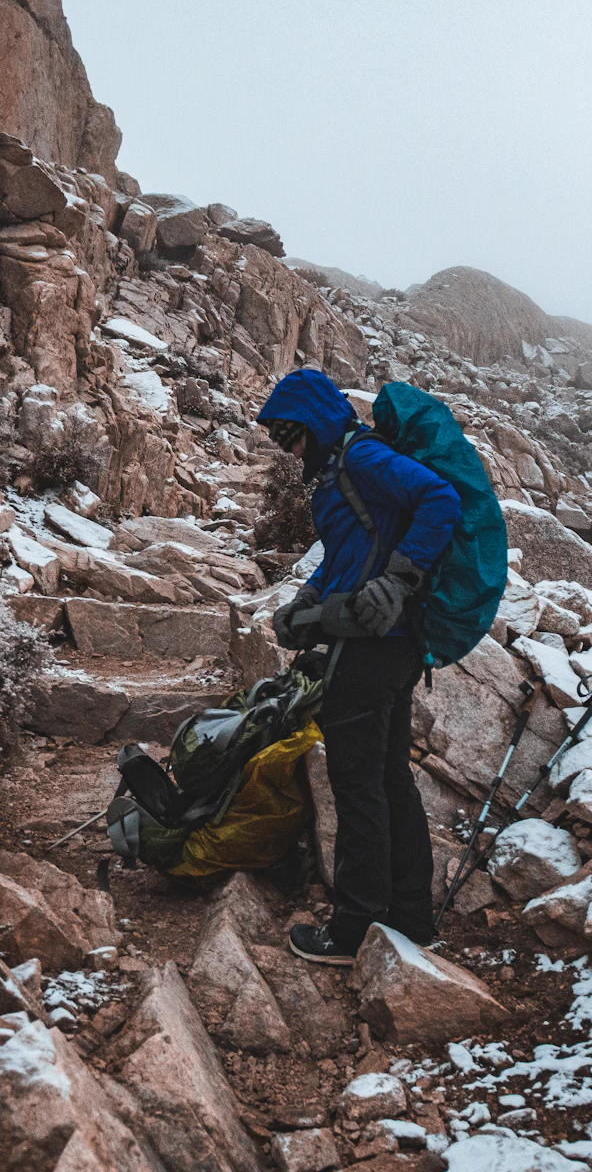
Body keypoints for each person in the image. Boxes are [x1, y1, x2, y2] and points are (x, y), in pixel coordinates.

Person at [256, 368, 462, 965]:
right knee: (389, 779)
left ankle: (353, 930)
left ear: (316, 421)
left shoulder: (362, 456)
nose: (289, 448)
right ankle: (411, 919)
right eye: (280, 440)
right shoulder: (338, 472)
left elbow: (439, 499)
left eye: (292, 435)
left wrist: (400, 579)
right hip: (390, 645)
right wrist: (303, 602)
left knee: (357, 784)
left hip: (376, 645)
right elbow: (347, 559)